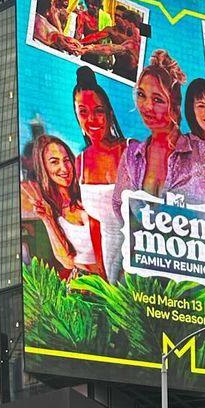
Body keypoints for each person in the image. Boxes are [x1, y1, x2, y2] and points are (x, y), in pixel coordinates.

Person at [112, 50, 205, 291]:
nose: (147, 106)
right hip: (151, 294)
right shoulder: (132, 156)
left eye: (158, 99)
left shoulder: (199, 153)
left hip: (203, 297)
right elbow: (119, 203)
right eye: (141, 95)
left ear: (174, 105)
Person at [22, 133, 106, 279]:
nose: (64, 168)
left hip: (115, 281)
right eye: (54, 162)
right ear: (44, 168)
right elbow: (67, 261)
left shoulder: (88, 193)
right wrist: (48, 220)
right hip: (84, 286)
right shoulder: (53, 211)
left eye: (66, 160)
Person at [72, 66, 127, 281]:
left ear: (109, 114)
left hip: (142, 256)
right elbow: (94, 222)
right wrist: (103, 271)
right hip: (109, 261)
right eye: (83, 112)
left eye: (98, 111)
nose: (92, 120)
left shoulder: (131, 150)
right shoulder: (80, 163)